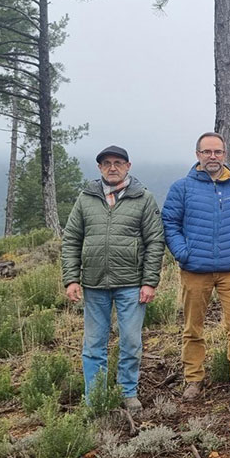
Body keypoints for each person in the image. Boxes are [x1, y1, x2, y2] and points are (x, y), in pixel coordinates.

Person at [62, 145, 165, 413]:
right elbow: (71, 240)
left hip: (132, 284)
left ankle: (127, 391)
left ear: (128, 166)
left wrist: (149, 281)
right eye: (106, 163)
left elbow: (155, 242)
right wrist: (71, 279)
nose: (112, 167)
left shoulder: (143, 198)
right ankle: (95, 397)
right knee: (93, 345)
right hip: (94, 284)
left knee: (131, 341)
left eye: (118, 162)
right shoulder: (86, 198)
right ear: (99, 168)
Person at [162, 132, 230, 399]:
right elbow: (170, 223)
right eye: (207, 152)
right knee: (193, 327)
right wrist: (183, 252)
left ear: (224, 155)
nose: (212, 157)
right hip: (195, 270)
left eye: (217, 152)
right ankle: (194, 378)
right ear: (197, 155)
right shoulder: (181, 187)